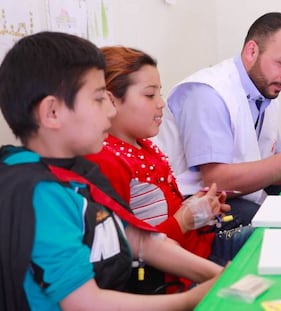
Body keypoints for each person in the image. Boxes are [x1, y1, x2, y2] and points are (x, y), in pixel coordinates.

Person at [0, 31, 223, 311]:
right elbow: (84, 302)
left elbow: (142, 241)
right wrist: (188, 301)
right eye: (98, 99)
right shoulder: (39, 194)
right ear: (52, 112)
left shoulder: (81, 169)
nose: (110, 110)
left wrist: (221, 277)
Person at [155, 12, 281, 226]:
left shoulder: (267, 98)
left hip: (235, 199)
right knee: (279, 227)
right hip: (189, 213)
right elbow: (216, 181)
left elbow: (259, 168)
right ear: (251, 51)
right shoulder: (208, 93)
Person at [85, 46, 254, 279]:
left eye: (160, 93)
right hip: (174, 276)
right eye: (149, 95)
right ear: (112, 101)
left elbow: (171, 215)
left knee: (270, 239)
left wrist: (201, 208)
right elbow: (130, 248)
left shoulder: (146, 146)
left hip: (203, 247)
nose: (161, 103)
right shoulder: (108, 160)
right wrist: (184, 220)